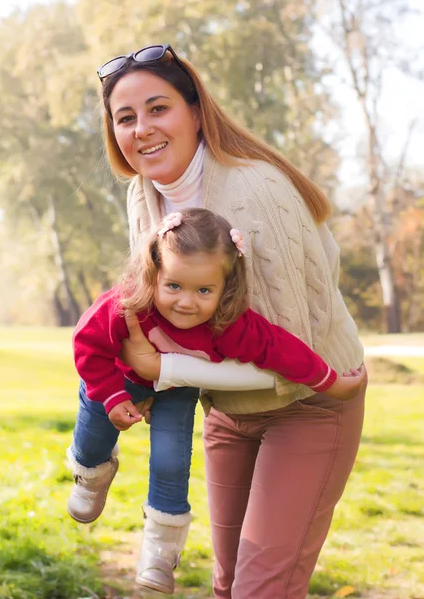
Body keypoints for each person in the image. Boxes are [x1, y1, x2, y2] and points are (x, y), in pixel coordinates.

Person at [74, 43, 366, 598]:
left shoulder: (258, 192)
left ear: (194, 110)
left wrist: (166, 368)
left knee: (263, 589)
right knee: (229, 586)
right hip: (228, 408)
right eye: (125, 118)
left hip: (312, 401)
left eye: (158, 109)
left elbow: (291, 361)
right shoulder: (144, 193)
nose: (142, 130)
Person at [68, 208, 364, 595]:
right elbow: (86, 344)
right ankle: (91, 475)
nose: (186, 302)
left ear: (225, 288)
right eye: (173, 286)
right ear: (154, 273)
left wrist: (331, 382)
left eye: (203, 290)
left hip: (174, 393)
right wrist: (111, 397)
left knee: (171, 462)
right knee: (93, 437)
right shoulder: (127, 305)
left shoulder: (227, 325)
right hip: (113, 379)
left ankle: (160, 552)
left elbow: (279, 350)